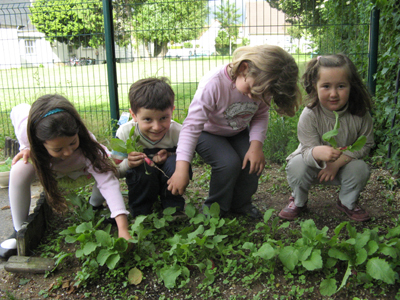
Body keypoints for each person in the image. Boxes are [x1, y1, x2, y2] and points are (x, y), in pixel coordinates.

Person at [167, 44, 302, 219]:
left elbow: (260, 115)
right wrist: (181, 169)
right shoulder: (214, 84)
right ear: (244, 68)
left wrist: (256, 147)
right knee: (228, 163)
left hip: (237, 131)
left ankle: (241, 204)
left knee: (251, 162)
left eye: (262, 95)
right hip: (207, 133)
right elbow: (191, 126)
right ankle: (214, 210)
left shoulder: (262, 86)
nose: (255, 98)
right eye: (253, 91)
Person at [0, 94, 131, 260]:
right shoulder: (27, 130)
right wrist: (25, 146)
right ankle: (19, 232)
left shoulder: (88, 148)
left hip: (82, 170)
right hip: (52, 170)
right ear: (39, 141)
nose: (68, 152)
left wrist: (123, 228)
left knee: (107, 168)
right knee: (20, 168)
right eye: (58, 149)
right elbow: (17, 110)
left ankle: (95, 205)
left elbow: (108, 183)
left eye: (72, 143)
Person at [279, 54, 374, 222]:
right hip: (312, 167)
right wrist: (316, 152)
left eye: (341, 86)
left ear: (352, 86)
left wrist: (336, 163)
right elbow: (307, 150)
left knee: (361, 169)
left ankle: (347, 201)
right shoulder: (309, 114)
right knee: (296, 164)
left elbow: (365, 145)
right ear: (315, 86)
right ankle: (298, 200)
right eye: (326, 86)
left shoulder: (360, 114)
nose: (333, 94)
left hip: (344, 165)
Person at [113, 77, 191, 218]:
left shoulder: (179, 133)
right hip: (142, 182)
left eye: (163, 118)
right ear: (134, 115)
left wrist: (169, 155)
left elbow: (189, 160)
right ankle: (141, 212)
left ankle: (173, 208)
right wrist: (128, 163)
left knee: (177, 163)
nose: (156, 127)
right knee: (142, 168)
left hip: (167, 179)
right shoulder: (125, 133)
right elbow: (115, 170)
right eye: (148, 119)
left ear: (172, 111)